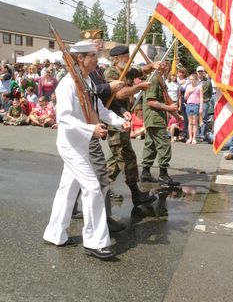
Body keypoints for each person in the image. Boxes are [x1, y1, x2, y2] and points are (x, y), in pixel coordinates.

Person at [43, 40, 130, 259]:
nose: (97, 59)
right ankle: (95, 242)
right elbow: (63, 118)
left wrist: (120, 121)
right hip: (71, 145)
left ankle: (55, 233)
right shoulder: (67, 84)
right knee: (92, 188)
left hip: (81, 143)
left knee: (67, 189)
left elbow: (98, 108)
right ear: (81, 58)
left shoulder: (86, 80)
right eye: (93, 55)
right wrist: (91, 129)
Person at [104, 45, 159, 205]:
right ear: (116, 59)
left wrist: (153, 66)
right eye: (126, 57)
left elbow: (142, 70)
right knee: (127, 158)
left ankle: (102, 188)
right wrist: (138, 87)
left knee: (115, 159)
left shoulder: (127, 70)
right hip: (115, 122)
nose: (129, 60)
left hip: (124, 122)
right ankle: (136, 194)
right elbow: (119, 93)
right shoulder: (111, 73)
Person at [140, 53, 181, 185]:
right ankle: (163, 173)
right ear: (159, 63)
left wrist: (175, 115)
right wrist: (169, 109)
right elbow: (151, 101)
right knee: (164, 143)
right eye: (165, 62)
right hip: (154, 117)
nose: (168, 66)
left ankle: (145, 172)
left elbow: (165, 98)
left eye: (168, 63)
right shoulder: (153, 78)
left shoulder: (160, 78)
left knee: (151, 145)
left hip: (157, 118)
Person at [184, 73, 203, 144]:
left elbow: (201, 97)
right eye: (190, 79)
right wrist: (189, 92)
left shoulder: (199, 87)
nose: (191, 81)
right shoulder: (188, 86)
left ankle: (194, 138)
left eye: (193, 79)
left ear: (196, 80)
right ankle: (190, 137)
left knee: (195, 122)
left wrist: (201, 108)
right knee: (190, 122)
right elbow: (185, 97)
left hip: (196, 104)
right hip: (189, 104)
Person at [196, 66, 213, 141]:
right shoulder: (194, 80)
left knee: (203, 119)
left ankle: (202, 135)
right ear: (196, 72)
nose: (200, 73)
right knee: (195, 118)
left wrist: (207, 99)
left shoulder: (207, 82)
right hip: (196, 101)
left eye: (201, 71)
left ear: (203, 72)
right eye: (199, 71)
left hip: (205, 101)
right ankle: (196, 134)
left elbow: (210, 92)